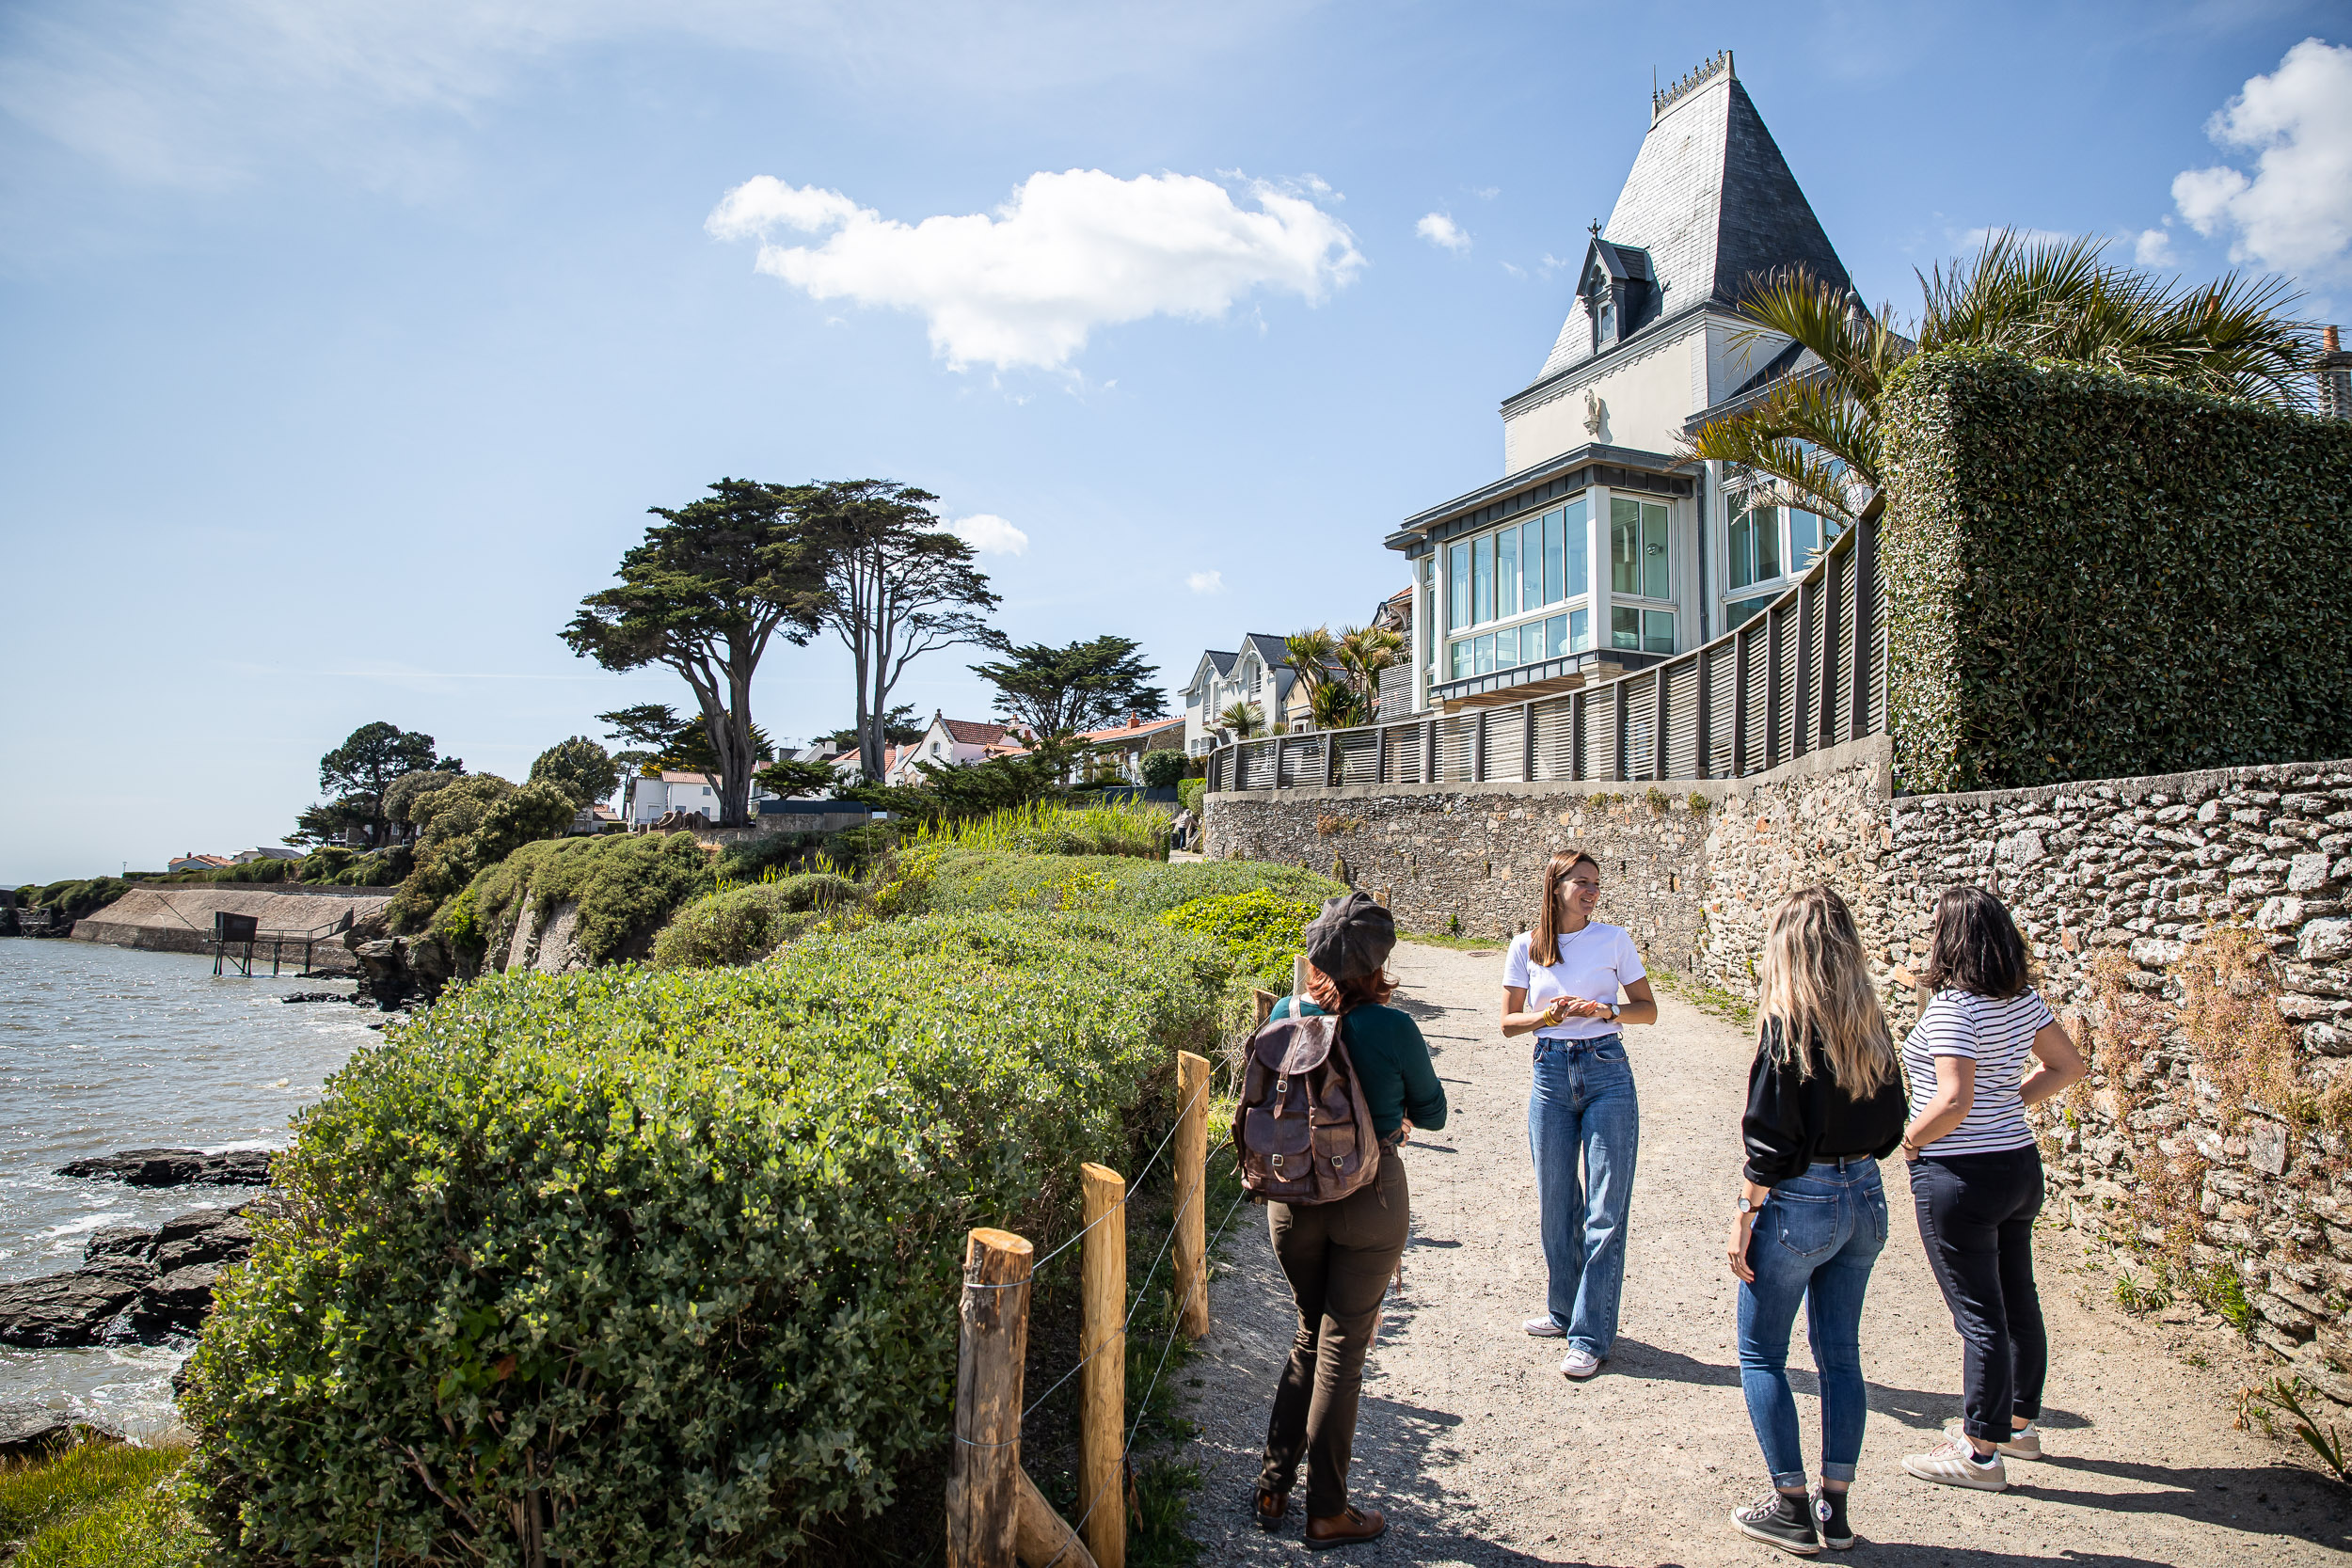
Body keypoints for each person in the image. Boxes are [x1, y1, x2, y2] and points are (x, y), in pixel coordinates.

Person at [1255, 891, 1447, 1548]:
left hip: (1293, 1200)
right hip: (1369, 1196)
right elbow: (1434, 1112)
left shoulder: (1286, 1014)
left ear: (1314, 958)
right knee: (1343, 1347)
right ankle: (1328, 1510)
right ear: (1377, 963)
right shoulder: (1392, 1028)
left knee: (1308, 1333)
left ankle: (1273, 1486)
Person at [1724, 886, 1907, 1556]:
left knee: (1761, 1352)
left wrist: (1746, 1212)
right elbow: (1892, 1127)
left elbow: (1770, 1142)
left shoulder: (1786, 1027)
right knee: (1841, 1356)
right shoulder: (1869, 1023)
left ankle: (1791, 1505)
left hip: (1802, 1197)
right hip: (1865, 1193)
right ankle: (1837, 1506)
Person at [1898, 885, 2088, 1492]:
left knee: (1979, 1314)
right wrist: (2010, 1103)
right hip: (2017, 1164)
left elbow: (1953, 1100)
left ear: (1951, 938)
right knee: (2017, 1297)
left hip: (1961, 1175)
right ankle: (2018, 1425)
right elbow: (2068, 1066)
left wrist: (1910, 1139)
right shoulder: (2022, 1000)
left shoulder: (1954, 1009)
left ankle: (1980, 1452)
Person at [1502, 848, 1657, 1378]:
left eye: (1595, 883)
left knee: (1604, 1210)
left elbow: (1648, 1010)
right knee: (1556, 1204)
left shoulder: (1614, 940)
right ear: (1556, 885)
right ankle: (1563, 1310)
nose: (1592, 891)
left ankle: (1589, 1336)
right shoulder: (1525, 946)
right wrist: (1548, 1016)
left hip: (1607, 1070)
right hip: (1549, 1073)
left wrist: (1608, 1010)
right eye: (1581, 882)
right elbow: (1507, 1023)